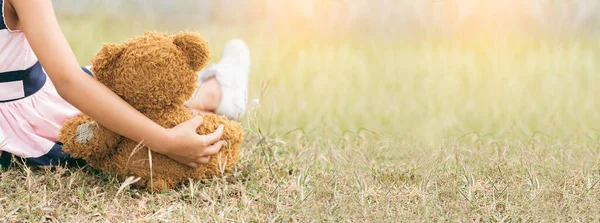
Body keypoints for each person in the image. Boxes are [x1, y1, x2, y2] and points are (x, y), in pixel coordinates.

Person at [0, 0, 250, 167]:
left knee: (133, 99)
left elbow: (68, 80)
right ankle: (216, 93)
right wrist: (165, 141)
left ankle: (214, 92)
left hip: (39, 105)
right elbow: (68, 81)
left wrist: (165, 140)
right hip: (23, 118)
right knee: (130, 128)